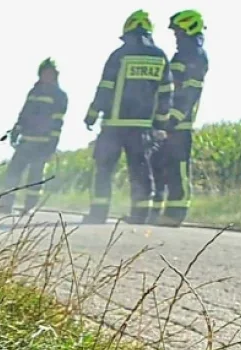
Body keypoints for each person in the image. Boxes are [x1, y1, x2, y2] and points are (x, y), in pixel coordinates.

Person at [82, 9, 174, 224]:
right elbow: (166, 93)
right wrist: (160, 123)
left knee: (104, 169)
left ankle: (98, 213)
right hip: (142, 127)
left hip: (114, 125)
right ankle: (141, 214)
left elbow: (105, 87)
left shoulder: (119, 55)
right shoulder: (160, 57)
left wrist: (92, 115)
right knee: (140, 170)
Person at [149, 10, 209, 227]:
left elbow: (188, 93)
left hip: (179, 125)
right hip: (168, 122)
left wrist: (172, 120)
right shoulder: (182, 55)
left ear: (190, 29)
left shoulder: (195, 56)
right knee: (163, 167)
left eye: (179, 32)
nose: (176, 36)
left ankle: (176, 213)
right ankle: (161, 212)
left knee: (178, 169)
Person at [0, 58, 68, 216]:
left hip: (43, 143)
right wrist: (16, 129)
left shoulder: (60, 96)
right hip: (26, 141)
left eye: (49, 73)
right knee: (13, 172)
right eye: (44, 73)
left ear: (55, 75)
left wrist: (52, 143)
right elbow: (25, 113)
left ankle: (29, 207)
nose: (46, 76)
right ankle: (6, 204)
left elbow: (58, 121)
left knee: (35, 176)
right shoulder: (34, 92)